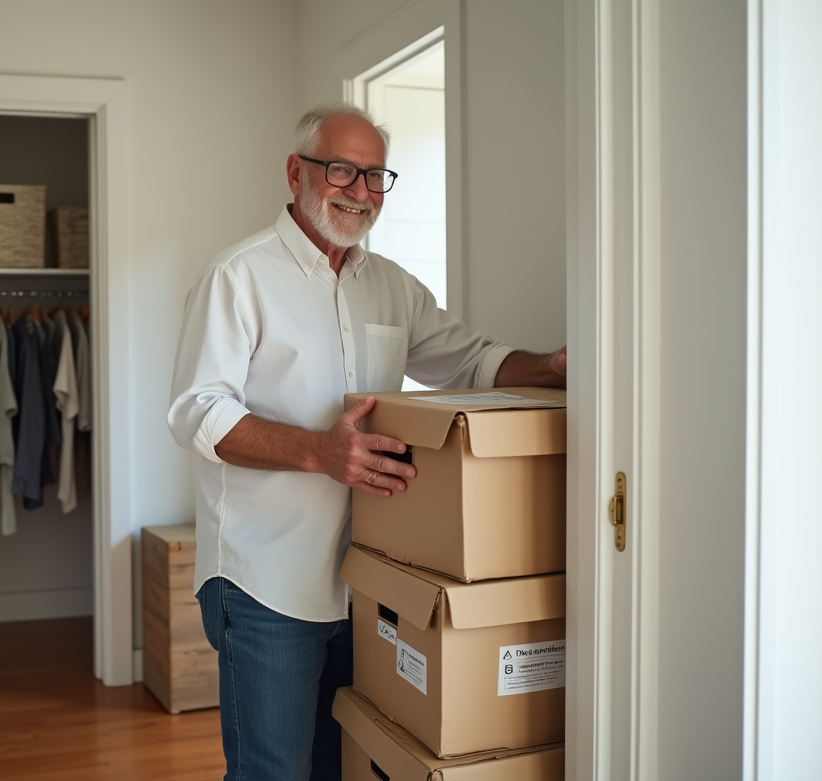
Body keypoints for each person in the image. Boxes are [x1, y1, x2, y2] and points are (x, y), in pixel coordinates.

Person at [166, 101, 567, 781]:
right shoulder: (238, 276)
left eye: (376, 176)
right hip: (264, 585)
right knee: (272, 772)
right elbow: (195, 411)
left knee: (343, 764)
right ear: (297, 173)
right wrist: (319, 452)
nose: (360, 191)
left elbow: (472, 362)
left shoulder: (392, 287)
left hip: (364, 582)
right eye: (342, 170)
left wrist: (552, 368)